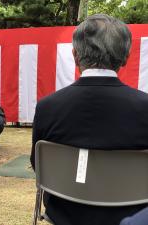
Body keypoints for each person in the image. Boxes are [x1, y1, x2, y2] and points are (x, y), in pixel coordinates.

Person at [30, 14, 148, 225]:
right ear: (126, 57)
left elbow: (38, 166)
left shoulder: (47, 107)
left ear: (75, 55)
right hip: (133, 214)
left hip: (65, 213)